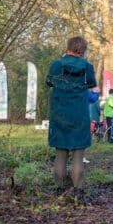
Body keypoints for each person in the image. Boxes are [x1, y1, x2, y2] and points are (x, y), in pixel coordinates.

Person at [46, 36, 97, 194]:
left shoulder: (57, 64)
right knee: (78, 155)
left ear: (68, 47)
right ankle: (77, 192)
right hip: (80, 115)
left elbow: (49, 82)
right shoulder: (87, 66)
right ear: (83, 50)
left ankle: (59, 190)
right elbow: (92, 84)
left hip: (59, 114)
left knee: (60, 154)